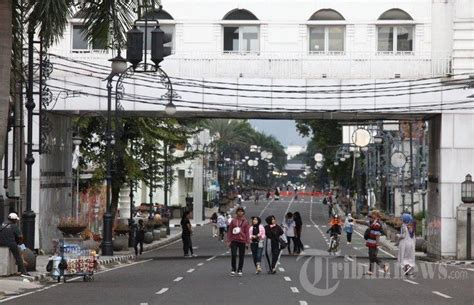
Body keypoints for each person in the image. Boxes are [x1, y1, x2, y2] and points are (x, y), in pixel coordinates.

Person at [227, 207, 250, 276]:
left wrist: (247, 242)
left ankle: (240, 269)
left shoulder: (245, 221)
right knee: (233, 254)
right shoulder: (233, 221)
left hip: (242, 240)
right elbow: (230, 231)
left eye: (241, 211)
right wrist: (229, 240)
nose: (240, 213)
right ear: (236, 212)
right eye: (239, 211)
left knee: (241, 255)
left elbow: (247, 232)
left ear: (243, 213)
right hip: (234, 240)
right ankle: (233, 269)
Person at [365, 210, 389, 275]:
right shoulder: (374, 222)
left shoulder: (377, 224)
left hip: (374, 242)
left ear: (376, 215)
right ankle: (371, 270)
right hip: (370, 241)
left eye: (373, 214)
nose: (372, 215)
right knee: (371, 256)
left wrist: (377, 244)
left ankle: (383, 266)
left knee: (373, 256)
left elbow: (377, 235)